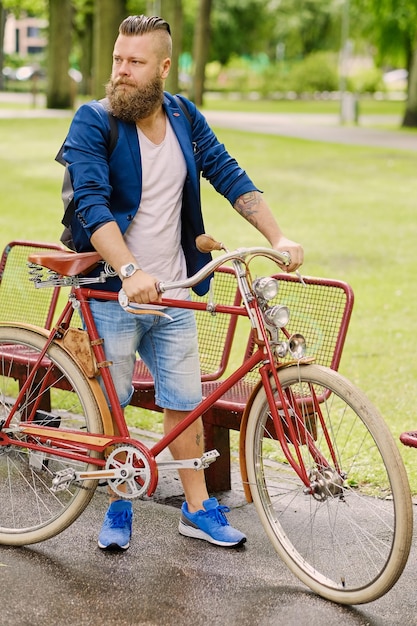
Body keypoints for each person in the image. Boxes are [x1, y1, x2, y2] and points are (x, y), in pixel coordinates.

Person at [63, 14, 304, 552]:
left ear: (164, 68)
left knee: (184, 399)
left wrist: (278, 236)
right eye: (117, 60)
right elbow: (93, 205)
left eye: (135, 62)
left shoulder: (182, 116)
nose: (121, 71)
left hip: (175, 289)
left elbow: (228, 173)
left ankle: (197, 508)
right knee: (113, 402)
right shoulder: (93, 120)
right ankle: (119, 502)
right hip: (113, 289)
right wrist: (129, 270)